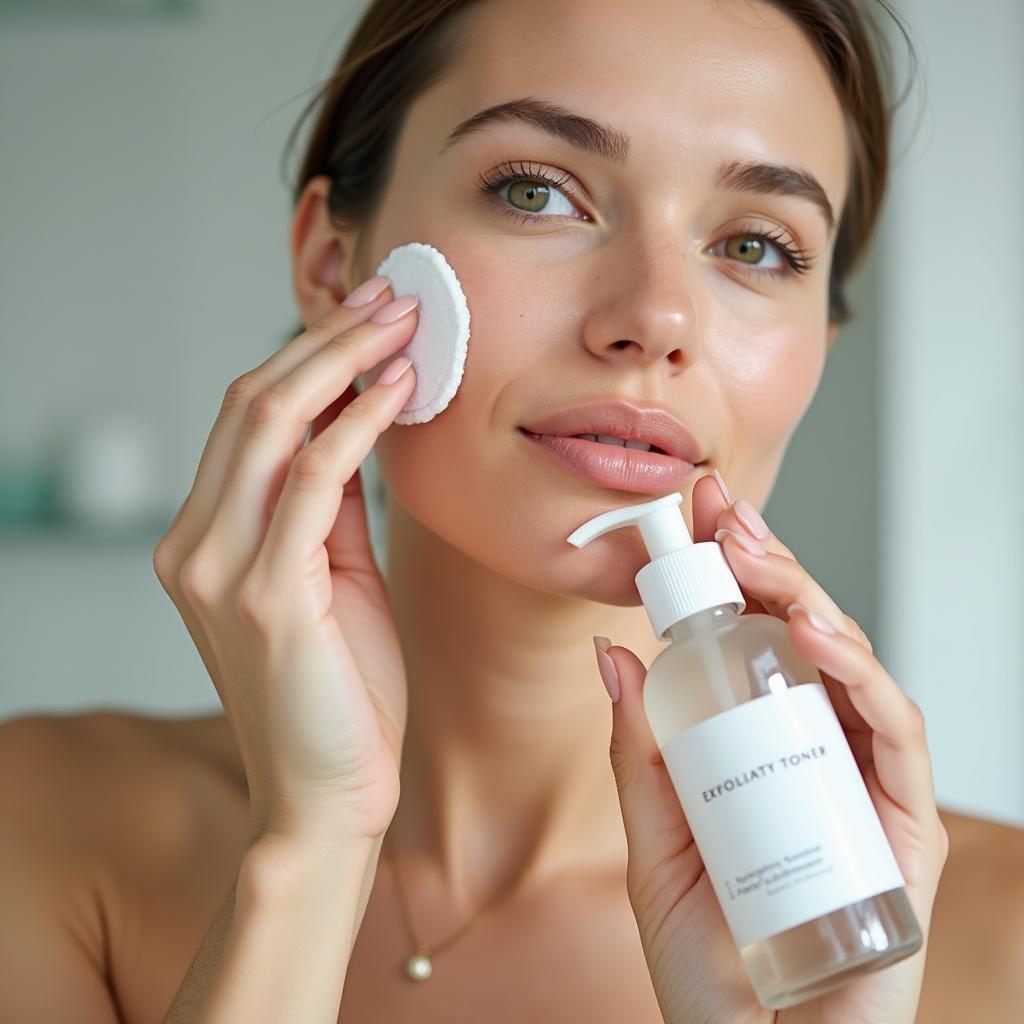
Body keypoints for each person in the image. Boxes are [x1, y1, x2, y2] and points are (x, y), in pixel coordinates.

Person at [1, 0, 1019, 1021]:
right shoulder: (40, 824)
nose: (655, 317)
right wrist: (313, 846)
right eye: (537, 190)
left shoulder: (988, 937)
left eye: (756, 247)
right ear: (331, 264)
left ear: (817, 352)